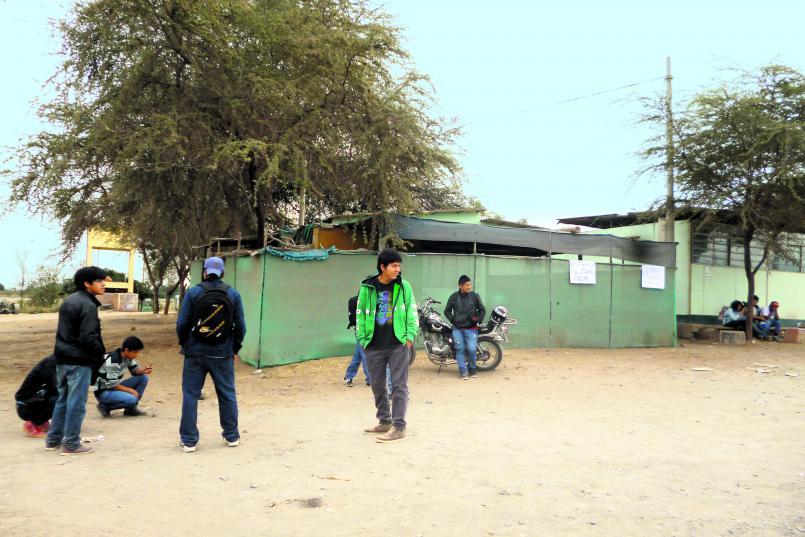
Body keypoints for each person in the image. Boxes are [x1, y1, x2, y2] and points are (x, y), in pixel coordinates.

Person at [176, 256, 246, 453]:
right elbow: (241, 326)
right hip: (222, 353)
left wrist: (185, 343)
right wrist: (235, 349)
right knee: (227, 394)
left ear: (204, 272)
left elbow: (182, 323)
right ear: (222, 273)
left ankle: (189, 441)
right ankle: (231, 436)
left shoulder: (193, 293)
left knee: (191, 395)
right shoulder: (233, 294)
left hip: (195, 353)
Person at [356, 248, 417, 443]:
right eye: (394, 266)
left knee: (399, 385)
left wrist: (409, 336)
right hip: (374, 345)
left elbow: (412, 312)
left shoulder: (404, 286)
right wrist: (363, 338)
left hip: (398, 344)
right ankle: (384, 421)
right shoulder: (367, 287)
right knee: (377, 385)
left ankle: (399, 427)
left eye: (399, 266)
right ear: (382, 267)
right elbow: (359, 314)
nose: (398, 269)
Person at [45, 266, 107, 456]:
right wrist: (100, 354)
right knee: (76, 403)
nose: (103, 284)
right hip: (79, 360)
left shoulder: (70, 300)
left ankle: (53, 440)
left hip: (63, 358)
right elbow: (88, 337)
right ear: (87, 284)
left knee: (63, 399)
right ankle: (71, 444)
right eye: (99, 281)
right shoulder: (87, 305)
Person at [95, 336, 152, 417]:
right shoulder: (114, 361)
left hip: (114, 386)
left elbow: (134, 370)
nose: (136, 355)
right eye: (135, 352)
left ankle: (130, 409)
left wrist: (143, 370)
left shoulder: (127, 356)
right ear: (126, 350)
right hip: (104, 392)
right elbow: (113, 385)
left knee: (143, 378)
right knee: (133, 398)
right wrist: (132, 391)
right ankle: (105, 406)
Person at [444, 275, 486, 380]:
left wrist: (477, 320)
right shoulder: (454, 297)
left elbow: (482, 310)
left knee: (472, 350)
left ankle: (472, 370)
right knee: (460, 349)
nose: (469, 287)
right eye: (467, 285)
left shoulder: (475, 296)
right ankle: (463, 371)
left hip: (471, 329)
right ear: (460, 286)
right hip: (457, 329)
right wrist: (453, 319)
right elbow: (447, 311)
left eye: (470, 284)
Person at [15, 355, 58, 438]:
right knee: (60, 398)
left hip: (34, 399)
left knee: (61, 396)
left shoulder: (55, 361)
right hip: (25, 406)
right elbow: (55, 387)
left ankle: (41, 421)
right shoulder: (51, 363)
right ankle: (33, 423)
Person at [344, 295, 370, 387]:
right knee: (364, 354)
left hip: (361, 329)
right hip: (362, 330)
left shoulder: (354, 300)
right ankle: (370, 378)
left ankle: (349, 376)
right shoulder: (365, 300)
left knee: (359, 354)